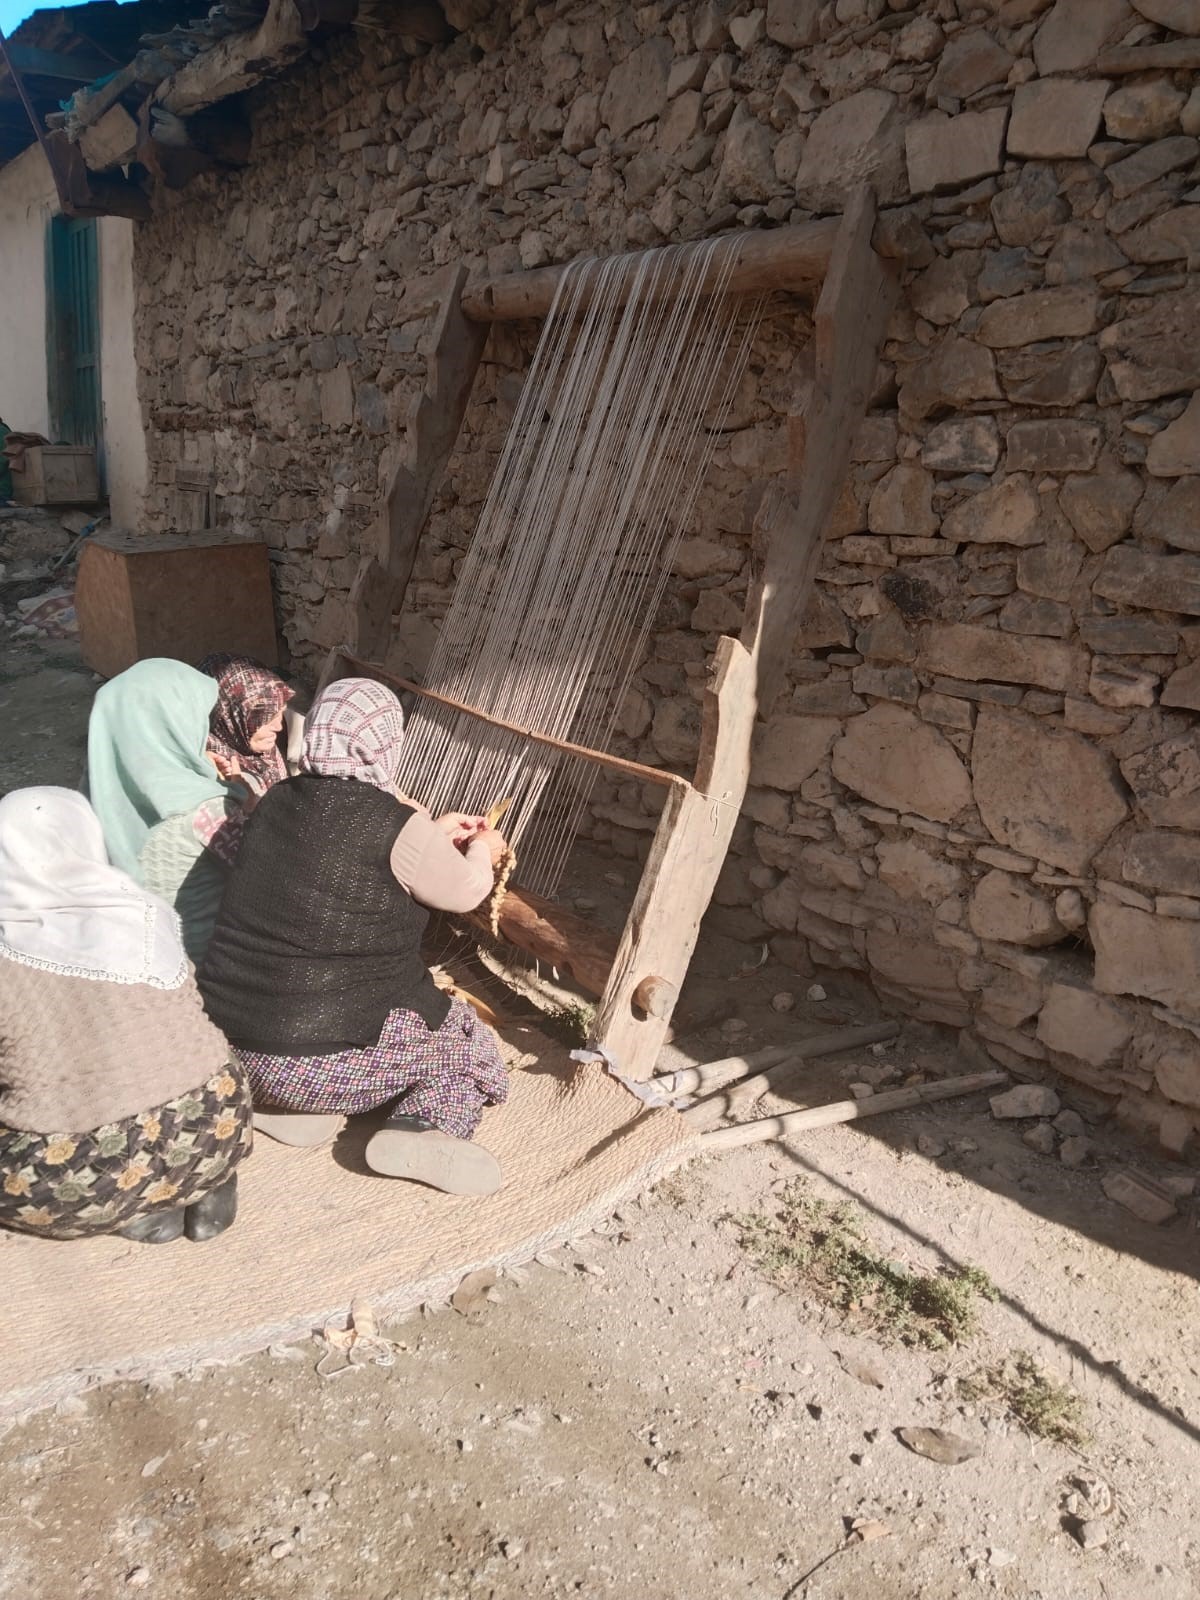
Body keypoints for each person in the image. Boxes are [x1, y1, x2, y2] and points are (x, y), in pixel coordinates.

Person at [199, 678, 511, 1196]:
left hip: (234, 1048)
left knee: (318, 1001)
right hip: (314, 1061)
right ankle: (421, 1127)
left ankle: (298, 1113)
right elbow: (466, 892)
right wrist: (484, 848)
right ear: (387, 742)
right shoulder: (398, 825)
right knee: (465, 1042)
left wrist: (428, 831)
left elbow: (344, 838)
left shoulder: (275, 800)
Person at [0, 788, 251, 1244]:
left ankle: (129, 1209)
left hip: (80, 1174)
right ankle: (206, 1180)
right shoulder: (141, 913)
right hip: (215, 1121)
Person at [86, 658, 253, 963]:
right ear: (176, 723)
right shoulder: (206, 810)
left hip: (126, 956)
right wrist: (246, 797)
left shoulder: (89, 797)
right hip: (201, 968)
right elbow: (262, 878)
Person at [197, 652, 295, 796]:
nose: (278, 727)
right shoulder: (207, 776)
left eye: (281, 712)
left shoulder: (263, 749)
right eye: (266, 719)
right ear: (228, 717)